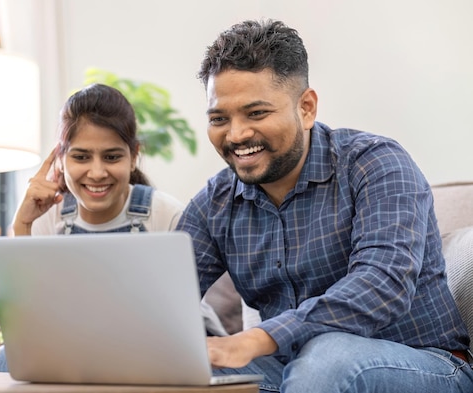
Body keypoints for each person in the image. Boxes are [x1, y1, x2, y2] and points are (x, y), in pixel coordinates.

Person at [176, 19, 473, 392]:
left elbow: (383, 284)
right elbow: (162, 297)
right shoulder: (213, 205)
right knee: (191, 370)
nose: (235, 135)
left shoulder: (376, 165)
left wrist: (256, 338)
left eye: (256, 113)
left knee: (327, 358)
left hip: (423, 362)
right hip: (293, 366)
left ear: (307, 108)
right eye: (219, 118)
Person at [0, 83, 225, 372]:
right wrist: (22, 224)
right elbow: (25, 320)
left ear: (134, 155)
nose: (97, 173)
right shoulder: (47, 216)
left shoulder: (166, 215)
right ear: (60, 157)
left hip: (157, 351)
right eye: (81, 157)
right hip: (71, 348)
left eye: (112, 157)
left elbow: (180, 319)